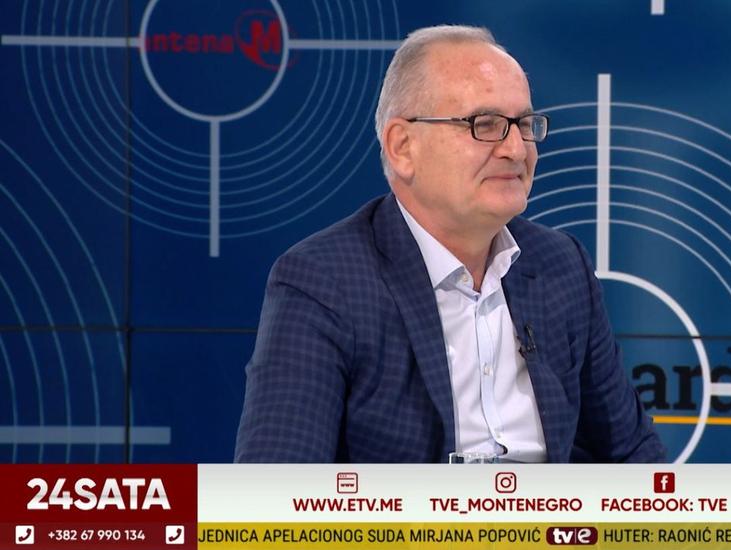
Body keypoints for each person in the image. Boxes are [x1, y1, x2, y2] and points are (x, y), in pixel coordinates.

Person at [234, 25, 666, 463]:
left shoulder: (560, 265)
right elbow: (277, 480)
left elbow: (631, 453)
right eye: (485, 125)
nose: (516, 149)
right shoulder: (324, 281)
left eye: (524, 125)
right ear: (403, 147)